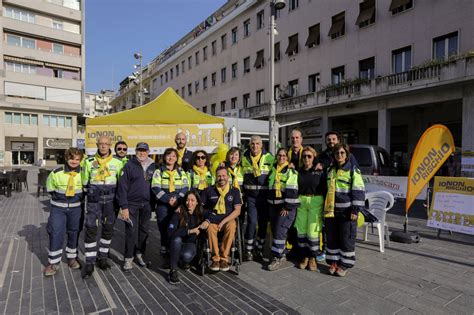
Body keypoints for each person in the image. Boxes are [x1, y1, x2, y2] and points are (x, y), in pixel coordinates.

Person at [82, 136, 123, 278]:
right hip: (94, 201)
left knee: (108, 229)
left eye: (106, 144)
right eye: (101, 144)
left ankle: (103, 257)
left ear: (110, 145)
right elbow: (84, 182)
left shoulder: (118, 163)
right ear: (97, 144)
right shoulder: (88, 162)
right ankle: (89, 262)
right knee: (91, 229)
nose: (104, 146)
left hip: (111, 202)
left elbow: (121, 184)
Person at [325, 143, 365, 277]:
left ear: (347, 155)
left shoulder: (353, 170)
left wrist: (355, 210)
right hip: (331, 212)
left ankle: (345, 264)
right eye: (337, 153)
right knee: (332, 238)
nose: (339, 156)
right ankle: (334, 262)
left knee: (346, 238)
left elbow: (358, 192)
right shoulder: (330, 170)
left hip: (347, 212)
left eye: (342, 153)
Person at [43, 147, 84, 276]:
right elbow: (50, 189)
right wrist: (61, 199)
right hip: (58, 209)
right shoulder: (56, 172)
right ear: (67, 158)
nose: (74, 161)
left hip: (76, 209)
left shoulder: (84, 173)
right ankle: (53, 263)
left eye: (77, 159)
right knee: (56, 233)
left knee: (74, 233)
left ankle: (71, 259)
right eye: (72, 158)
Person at [116, 142, 156, 271]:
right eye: (140, 150)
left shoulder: (153, 166)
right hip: (131, 205)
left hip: (147, 205)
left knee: (144, 231)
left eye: (144, 150)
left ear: (148, 152)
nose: (142, 153)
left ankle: (140, 254)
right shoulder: (129, 165)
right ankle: (128, 258)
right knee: (131, 231)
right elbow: (122, 188)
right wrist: (124, 207)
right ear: (135, 151)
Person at [201, 166, 242, 271]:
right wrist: (210, 218)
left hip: (227, 220)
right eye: (219, 176)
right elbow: (201, 208)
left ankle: (224, 258)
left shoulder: (235, 191)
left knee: (232, 225)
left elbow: (237, 210)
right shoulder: (208, 190)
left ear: (228, 177)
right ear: (216, 177)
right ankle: (215, 259)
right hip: (213, 221)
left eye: (224, 175)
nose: (221, 178)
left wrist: (223, 221)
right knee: (210, 228)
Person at [241, 135, 274, 261]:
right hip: (251, 197)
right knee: (252, 222)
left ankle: (259, 248)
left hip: (264, 197)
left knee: (262, 224)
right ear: (250, 145)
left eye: (257, 144)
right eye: (253, 143)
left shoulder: (270, 157)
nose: (255, 146)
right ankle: (248, 250)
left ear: (262, 145)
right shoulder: (244, 157)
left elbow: (278, 170)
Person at [151, 148, 189, 255]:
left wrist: (177, 199)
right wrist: (168, 199)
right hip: (163, 204)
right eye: (168, 155)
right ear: (164, 157)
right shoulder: (158, 172)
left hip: (178, 202)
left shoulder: (181, 172)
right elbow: (155, 188)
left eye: (173, 156)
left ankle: (174, 247)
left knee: (175, 226)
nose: (171, 158)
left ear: (176, 158)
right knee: (163, 226)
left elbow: (186, 187)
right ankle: (164, 244)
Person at [266, 148, 299, 271]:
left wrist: (287, 207)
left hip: (285, 208)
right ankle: (283, 253)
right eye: (279, 155)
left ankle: (276, 257)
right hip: (273, 206)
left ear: (288, 158)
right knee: (276, 231)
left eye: (284, 156)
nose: (281, 158)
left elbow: (293, 191)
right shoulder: (273, 170)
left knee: (280, 231)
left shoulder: (291, 172)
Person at [295, 146, 326, 272]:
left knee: (313, 231)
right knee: (301, 230)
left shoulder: (319, 170)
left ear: (314, 158)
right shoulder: (299, 171)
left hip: (315, 201)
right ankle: (305, 256)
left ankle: (313, 257)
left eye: (309, 156)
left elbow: (325, 188)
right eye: (304, 156)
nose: (306, 158)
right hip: (302, 201)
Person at [168, 191, 207, 284]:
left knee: (187, 256)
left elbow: (214, 214)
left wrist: (208, 222)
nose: (189, 203)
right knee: (176, 239)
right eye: (187, 200)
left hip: (190, 243)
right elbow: (170, 231)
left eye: (192, 200)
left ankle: (180, 259)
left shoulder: (201, 212)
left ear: (197, 202)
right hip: (177, 242)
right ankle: (173, 270)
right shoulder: (179, 211)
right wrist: (189, 231)